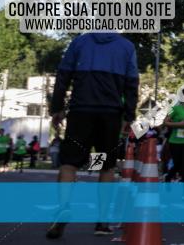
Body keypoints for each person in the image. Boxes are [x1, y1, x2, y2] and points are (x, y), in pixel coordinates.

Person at [46, 32, 139, 239]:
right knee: (105, 167)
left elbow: (63, 76)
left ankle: (63, 207)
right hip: (110, 114)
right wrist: (129, 115)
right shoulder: (126, 47)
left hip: (81, 112)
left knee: (69, 164)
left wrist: (57, 108)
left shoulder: (79, 42)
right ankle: (102, 222)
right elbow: (132, 83)